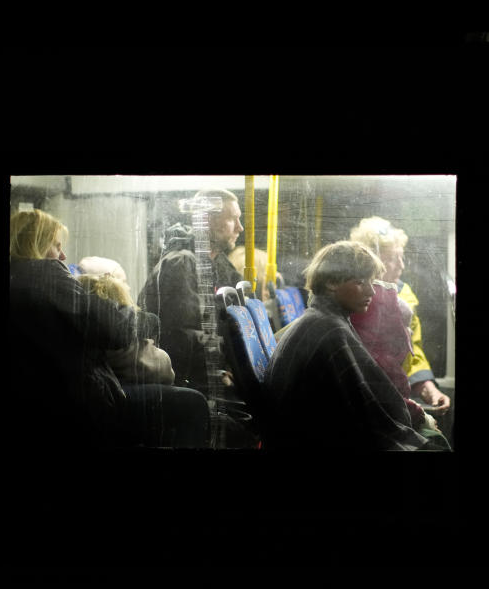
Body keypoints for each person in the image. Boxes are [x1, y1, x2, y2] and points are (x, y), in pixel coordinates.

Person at [261, 241, 450, 451]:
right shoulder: (330, 330)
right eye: (361, 282)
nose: (372, 291)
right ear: (332, 282)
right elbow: (364, 408)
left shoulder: (324, 319)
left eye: (372, 281)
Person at [8, 209, 143, 450]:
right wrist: (126, 307)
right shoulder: (45, 275)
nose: (62, 255)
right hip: (73, 405)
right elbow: (117, 330)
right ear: (35, 245)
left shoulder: (17, 278)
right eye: (55, 245)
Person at [78, 271, 211, 448]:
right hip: (114, 398)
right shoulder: (123, 335)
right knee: (195, 402)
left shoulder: (88, 328)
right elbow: (165, 371)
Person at [137, 188, 244, 392]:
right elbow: (181, 338)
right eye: (233, 219)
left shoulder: (221, 267)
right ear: (208, 220)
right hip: (185, 380)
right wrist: (222, 366)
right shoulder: (181, 264)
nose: (240, 227)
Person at [349, 216, 451, 415]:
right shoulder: (349, 297)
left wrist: (429, 389)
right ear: (371, 261)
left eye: (402, 257)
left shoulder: (405, 295)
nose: (401, 266)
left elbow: (414, 352)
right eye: (393, 259)